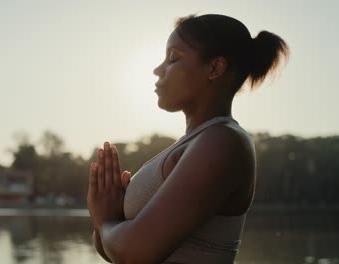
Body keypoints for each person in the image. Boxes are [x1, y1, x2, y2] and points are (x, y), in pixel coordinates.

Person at [87, 14, 289, 264]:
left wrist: (106, 221)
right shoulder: (196, 142)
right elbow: (115, 251)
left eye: (173, 58)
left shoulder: (223, 143)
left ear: (215, 68)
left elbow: (134, 253)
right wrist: (106, 220)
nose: (157, 70)